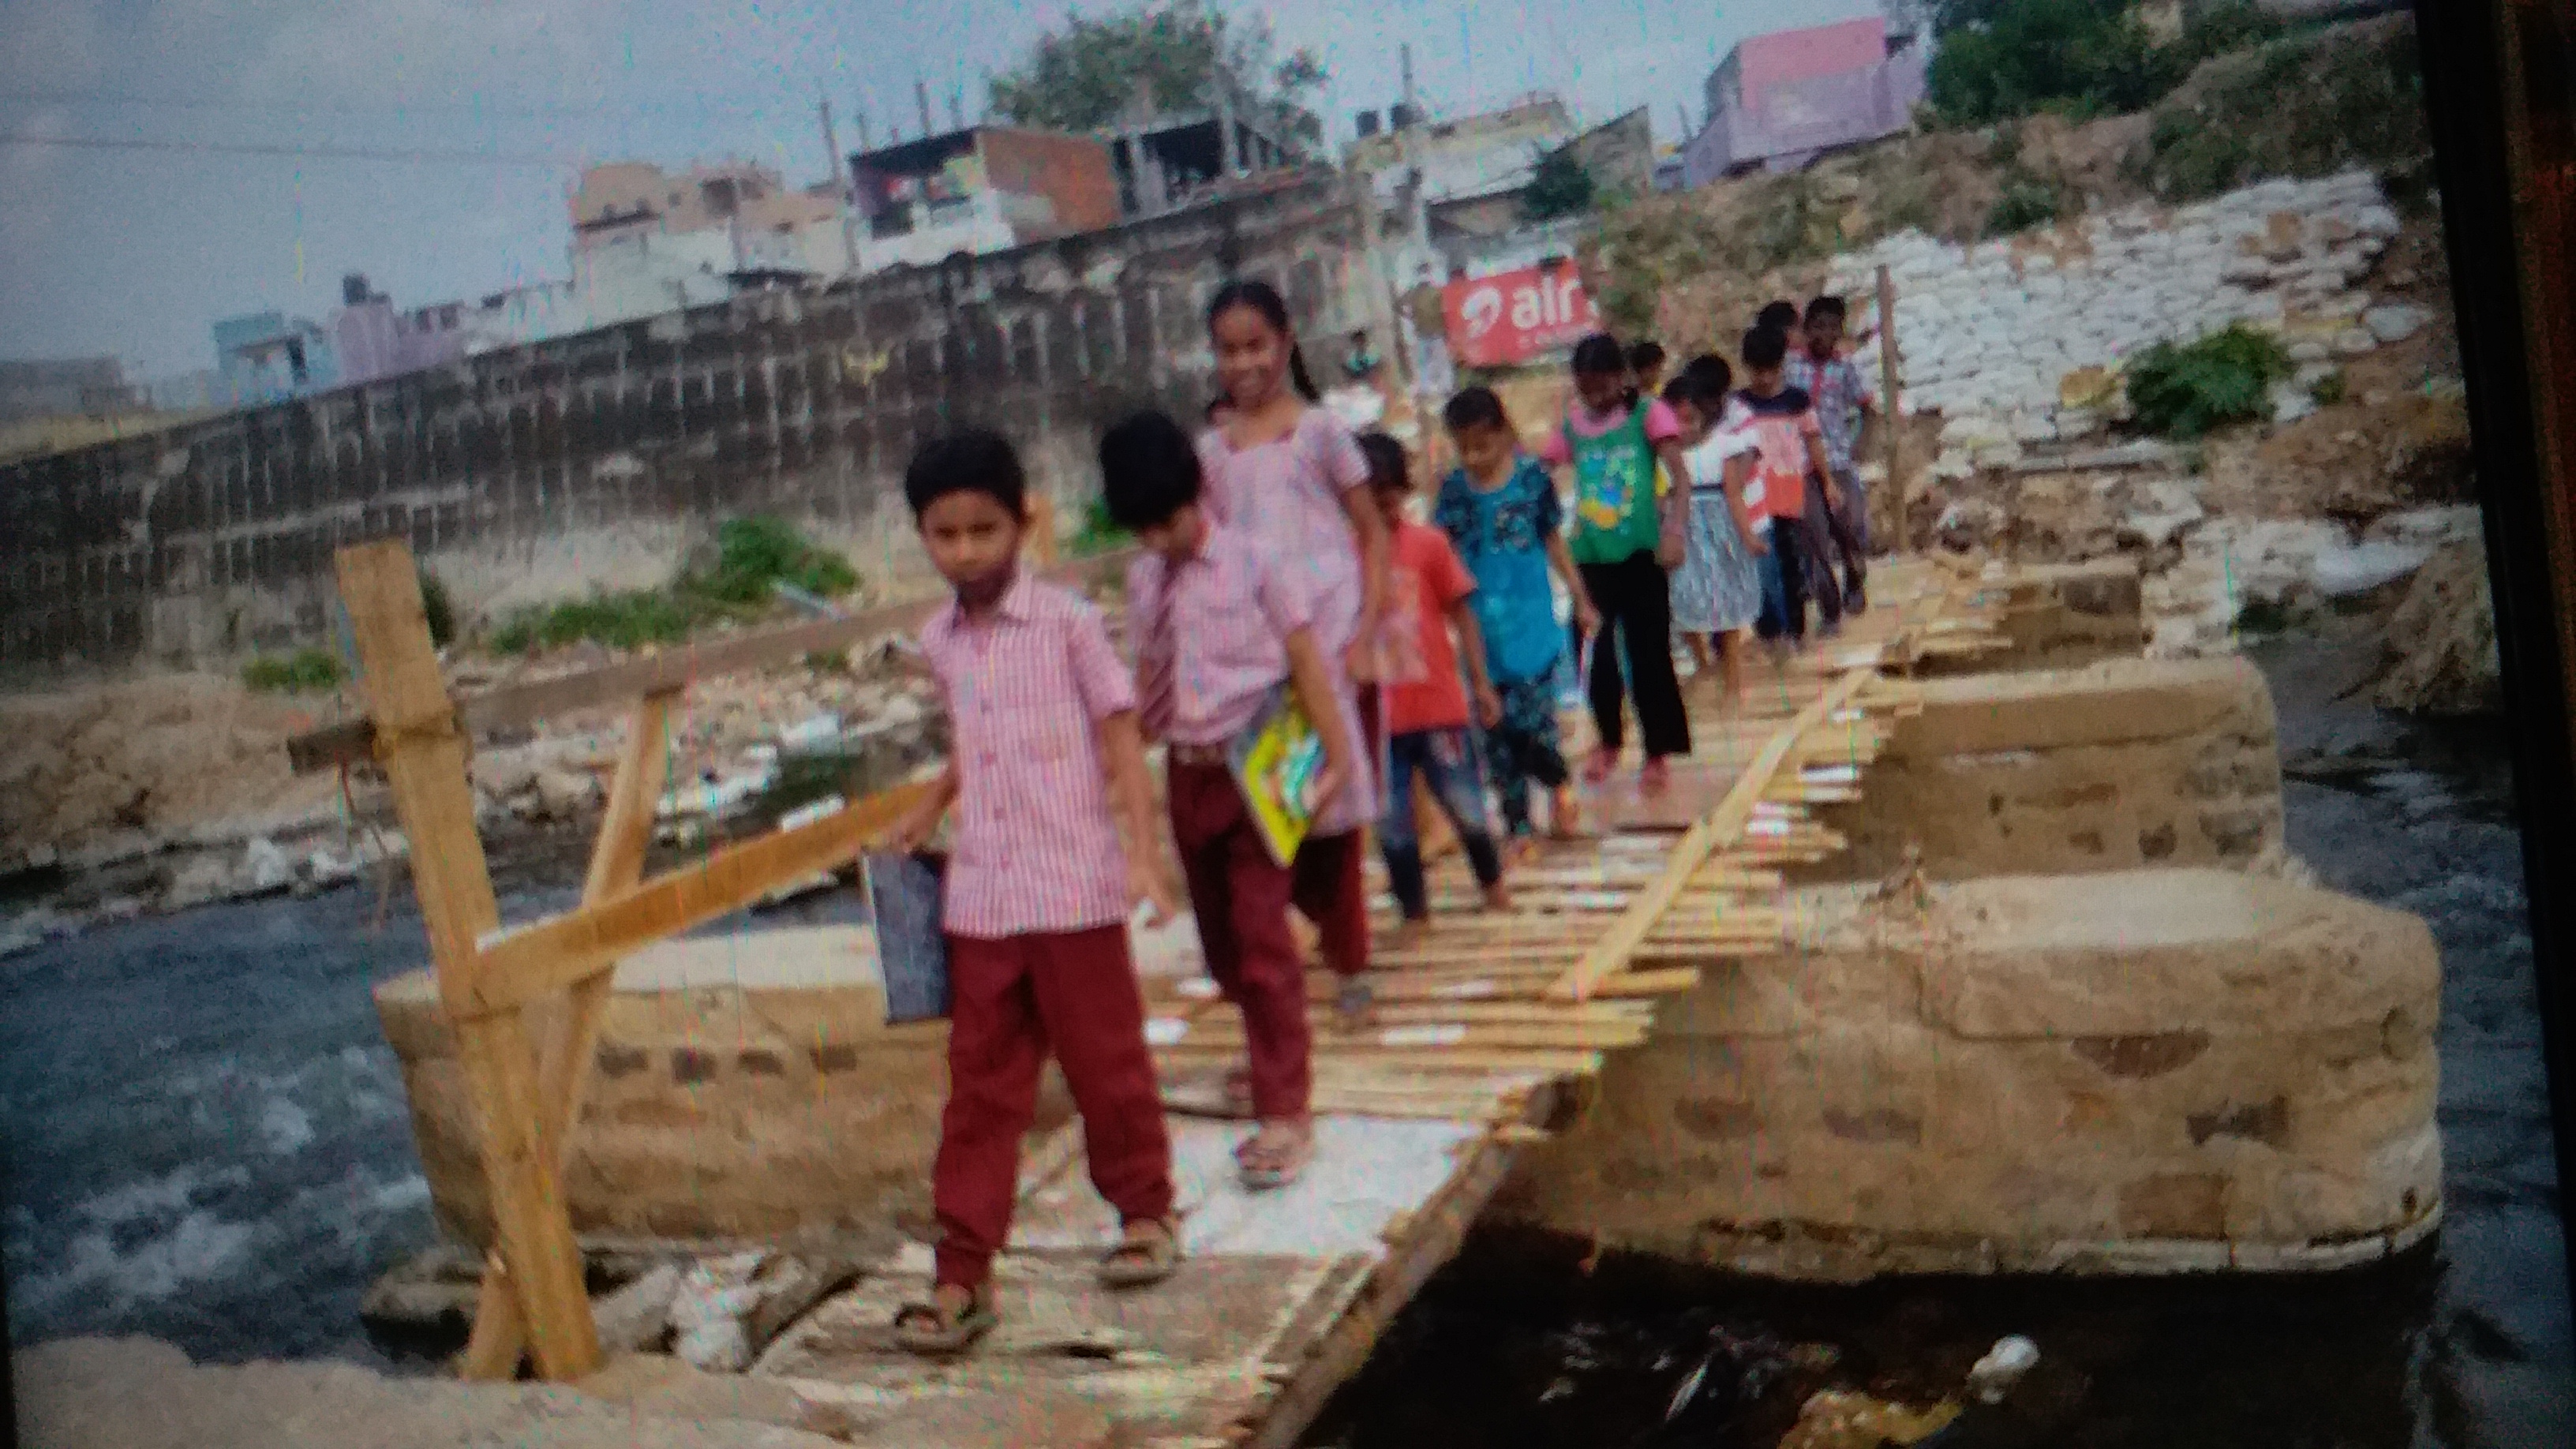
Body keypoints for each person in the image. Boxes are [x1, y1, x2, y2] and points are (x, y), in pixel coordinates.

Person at [885, 429, 1185, 1357]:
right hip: (981, 901)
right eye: (946, 534)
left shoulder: (1067, 623)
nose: (966, 550)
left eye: (983, 529)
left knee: (1107, 1065)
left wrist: (1144, 855)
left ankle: (1144, 1213)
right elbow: (975, 746)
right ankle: (962, 1274)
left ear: (1021, 524)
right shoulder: (938, 641)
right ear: (924, 538)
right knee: (980, 1091)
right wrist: (930, 805)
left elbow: (1121, 736)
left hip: (1072, 890)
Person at [1104, 410, 1360, 1194]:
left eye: (1169, 522)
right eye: (1143, 529)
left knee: (1261, 936)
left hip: (1259, 765)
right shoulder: (1145, 578)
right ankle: (1263, 1056)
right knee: (1219, 942)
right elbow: (1147, 677)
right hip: (1189, 773)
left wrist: (1339, 758)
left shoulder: (1258, 565)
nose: (1160, 541)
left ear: (1197, 495)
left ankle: (1287, 1107)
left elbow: (1308, 666)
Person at [1196, 279, 1387, 990]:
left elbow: (1373, 533)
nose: (1243, 363)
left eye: (1256, 346)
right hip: (1256, 651)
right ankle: (1278, 959)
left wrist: (1366, 633)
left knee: (1335, 810)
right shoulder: (1210, 455)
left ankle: (1349, 958)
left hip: (1331, 636)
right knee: (1273, 800)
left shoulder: (1321, 433)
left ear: (1285, 345)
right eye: (1228, 349)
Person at [1357, 431, 1511, 942]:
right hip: (1377, 719)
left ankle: (1492, 885)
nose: (1382, 504)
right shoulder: (1340, 561)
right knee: (1393, 824)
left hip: (1439, 707)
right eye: (1369, 493)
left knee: (1466, 804)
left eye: (1389, 491)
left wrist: (1481, 683)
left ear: (1403, 490)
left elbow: (1462, 614)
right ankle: (1415, 914)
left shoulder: (1428, 545)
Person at [1434, 386, 1595, 853]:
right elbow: (1439, 554)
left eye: (1482, 445)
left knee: (1533, 722)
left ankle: (1558, 785)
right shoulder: (1453, 493)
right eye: (1464, 448)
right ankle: (1518, 823)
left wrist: (1581, 599)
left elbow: (1554, 543)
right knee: (1494, 731)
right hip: (1480, 632)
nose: (1474, 457)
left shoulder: (1531, 480)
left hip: (1532, 623)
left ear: (1504, 434)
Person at [1538, 332, 1694, 795]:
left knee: (1649, 657)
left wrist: (1674, 533)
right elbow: (1539, 472)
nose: (1595, 397)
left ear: (1620, 377)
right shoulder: (1571, 428)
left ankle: (1658, 752)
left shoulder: (1649, 415)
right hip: (1592, 561)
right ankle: (1608, 741)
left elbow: (1680, 479)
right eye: (1585, 389)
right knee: (1596, 656)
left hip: (1644, 556)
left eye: (1602, 387)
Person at [1661, 358, 1765, 710]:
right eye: (1678, 421)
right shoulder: (1665, 457)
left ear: (1705, 415)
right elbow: (1661, 498)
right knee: (1684, 600)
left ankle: (1733, 681)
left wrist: (1748, 536)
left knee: (1726, 607)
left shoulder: (1723, 446)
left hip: (1719, 535)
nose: (1686, 428)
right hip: (1683, 535)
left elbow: (1734, 495)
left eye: (1690, 419)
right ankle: (1703, 662)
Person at [1735, 324, 1841, 652]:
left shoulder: (1796, 400)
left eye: (1770, 370)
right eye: (1757, 371)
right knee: (1768, 567)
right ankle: (1774, 631)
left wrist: (1827, 482)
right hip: (1756, 497)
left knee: (1797, 561)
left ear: (1781, 365)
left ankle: (1798, 628)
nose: (1764, 379)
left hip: (1792, 491)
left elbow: (1813, 440)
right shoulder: (1739, 405)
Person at [1786, 295, 1877, 613]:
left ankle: (1855, 579)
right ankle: (1830, 609)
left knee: (1848, 527)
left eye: (1832, 328)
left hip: (1838, 460)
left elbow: (1867, 408)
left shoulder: (1847, 367)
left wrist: (1858, 445)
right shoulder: (1791, 366)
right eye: (1818, 327)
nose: (1824, 335)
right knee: (1815, 536)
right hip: (1801, 465)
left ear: (1840, 331)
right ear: (1807, 329)